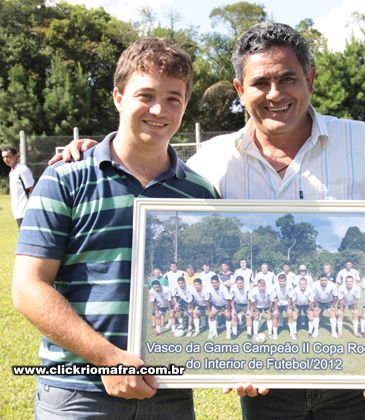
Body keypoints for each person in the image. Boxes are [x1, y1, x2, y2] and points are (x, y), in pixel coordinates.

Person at [52, 20, 365, 419]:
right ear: (240, 90)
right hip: (263, 388)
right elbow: (152, 165)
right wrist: (93, 149)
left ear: (311, 80)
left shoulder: (363, 144)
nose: (274, 93)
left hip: (354, 386)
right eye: (260, 83)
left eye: (287, 79)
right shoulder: (213, 162)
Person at [11, 37, 218, 418]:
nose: (159, 109)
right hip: (79, 393)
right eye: (145, 95)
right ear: (118, 97)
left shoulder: (200, 194)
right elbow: (28, 288)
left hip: (168, 393)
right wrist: (108, 359)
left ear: (185, 104)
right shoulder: (65, 178)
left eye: (173, 98)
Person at [2, 146, 34, 227]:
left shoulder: (22, 169)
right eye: (3, 157)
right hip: (18, 212)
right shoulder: (12, 172)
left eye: (8, 156)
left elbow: (32, 189)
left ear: (15, 156)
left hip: (26, 211)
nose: (5, 159)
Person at [311, 273, 338, 338]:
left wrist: (333, 305)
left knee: (332, 313)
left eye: (325, 280)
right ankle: (315, 331)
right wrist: (316, 306)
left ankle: (334, 332)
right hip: (318, 301)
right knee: (316, 313)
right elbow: (313, 296)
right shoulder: (315, 285)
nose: (323, 282)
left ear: (327, 280)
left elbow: (335, 296)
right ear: (319, 280)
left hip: (329, 301)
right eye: (322, 280)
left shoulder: (332, 285)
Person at [206, 274, 233, 339]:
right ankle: (213, 332)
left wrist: (228, 310)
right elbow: (207, 301)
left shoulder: (223, 288)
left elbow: (228, 300)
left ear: (219, 282)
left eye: (216, 283)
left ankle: (228, 334)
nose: (214, 284)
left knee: (228, 316)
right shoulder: (209, 289)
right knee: (211, 315)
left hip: (224, 305)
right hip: (216, 305)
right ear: (211, 283)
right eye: (213, 283)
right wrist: (209, 311)